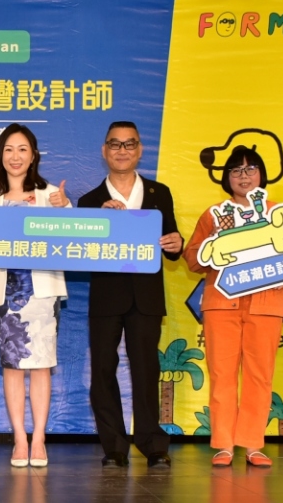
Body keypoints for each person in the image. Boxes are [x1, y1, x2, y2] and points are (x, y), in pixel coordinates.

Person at [185, 145, 283, 468]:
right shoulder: (215, 215)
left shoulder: (279, 214)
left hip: (266, 305)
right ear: (227, 177)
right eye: (236, 170)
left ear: (262, 175)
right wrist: (214, 245)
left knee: (260, 375)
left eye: (251, 169)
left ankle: (253, 444)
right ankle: (224, 444)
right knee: (222, 374)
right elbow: (193, 257)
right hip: (221, 304)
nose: (244, 176)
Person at [77, 121, 183, 469]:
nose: (122, 150)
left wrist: (176, 243)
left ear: (140, 150)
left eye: (129, 144)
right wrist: (100, 224)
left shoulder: (159, 193)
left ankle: (153, 444)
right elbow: (81, 253)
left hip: (146, 296)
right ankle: (114, 447)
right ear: (104, 151)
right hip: (106, 297)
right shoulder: (89, 201)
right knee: (103, 370)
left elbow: (170, 242)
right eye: (115, 144)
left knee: (146, 369)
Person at [0, 123, 70, 468]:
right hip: (7, 294)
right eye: (9, 149)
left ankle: (39, 439)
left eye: (23, 149)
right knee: (12, 367)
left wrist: (64, 208)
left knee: (41, 366)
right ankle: (19, 439)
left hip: (42, 292)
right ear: (0, 156)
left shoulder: (52, 195)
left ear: (34, 156)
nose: (16, 156)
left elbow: (72, 239)